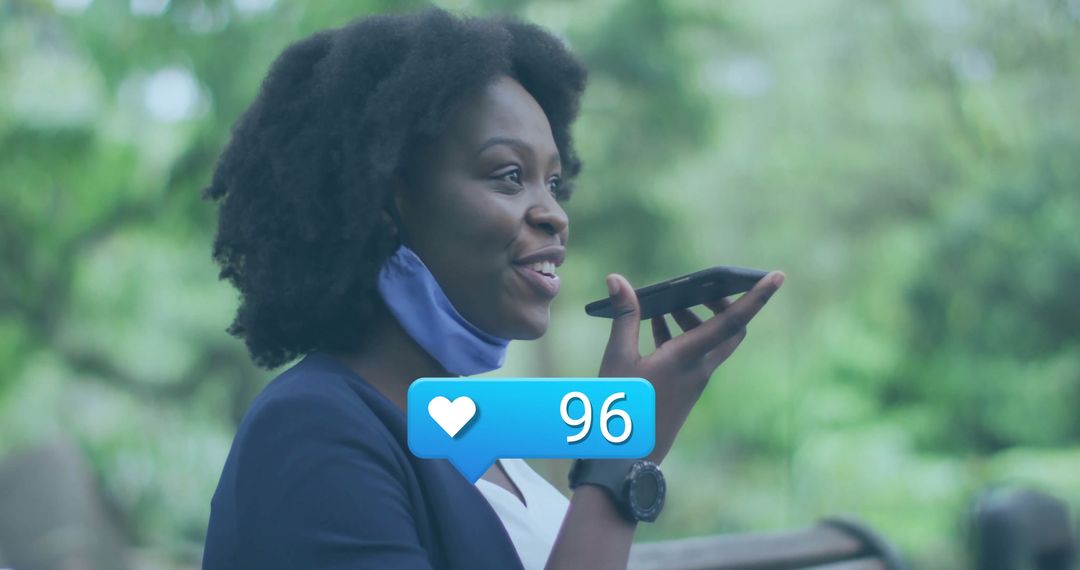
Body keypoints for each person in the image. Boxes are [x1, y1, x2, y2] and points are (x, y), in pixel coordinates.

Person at [200, 8, 785, 570]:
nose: (555, 213)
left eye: (554, 182)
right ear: (384, 202)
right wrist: (620, 451)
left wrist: (628, 416)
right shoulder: (309, 430)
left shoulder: (466, 420)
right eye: (510, 175)